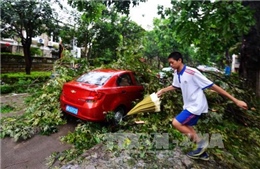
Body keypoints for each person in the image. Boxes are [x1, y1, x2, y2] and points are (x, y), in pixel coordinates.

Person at [156, 52, 248, 160]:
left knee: (176, 123)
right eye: (169, 63)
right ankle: (203, 153)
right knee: (187, 126)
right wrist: (163, 90)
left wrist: (235, 100)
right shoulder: (176, 73)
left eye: (172, 62)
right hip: (188, 105)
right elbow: (175, 85)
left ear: (179, 60)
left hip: (196, 105)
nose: (171, 65)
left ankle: (201, 144)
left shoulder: (192, 72)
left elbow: (212, 86)